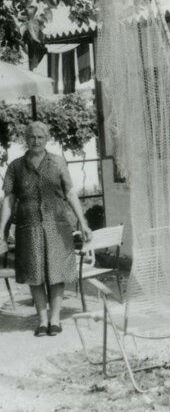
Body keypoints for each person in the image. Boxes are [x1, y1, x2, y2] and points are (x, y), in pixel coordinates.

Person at [0, 122, 92, 337]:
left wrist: (83, 222)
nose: (36, 141)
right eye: (31, 137)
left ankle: (55, 319)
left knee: (56, 273)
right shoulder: (15, 167)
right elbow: (8, 200)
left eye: (40, 137)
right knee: (35, 274)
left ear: (47, 139)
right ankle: (42, 321)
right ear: (26, 139)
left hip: (57, 226)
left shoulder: (58, 162)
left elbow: (70, 193)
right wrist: (1, 228)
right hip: (28, 228)